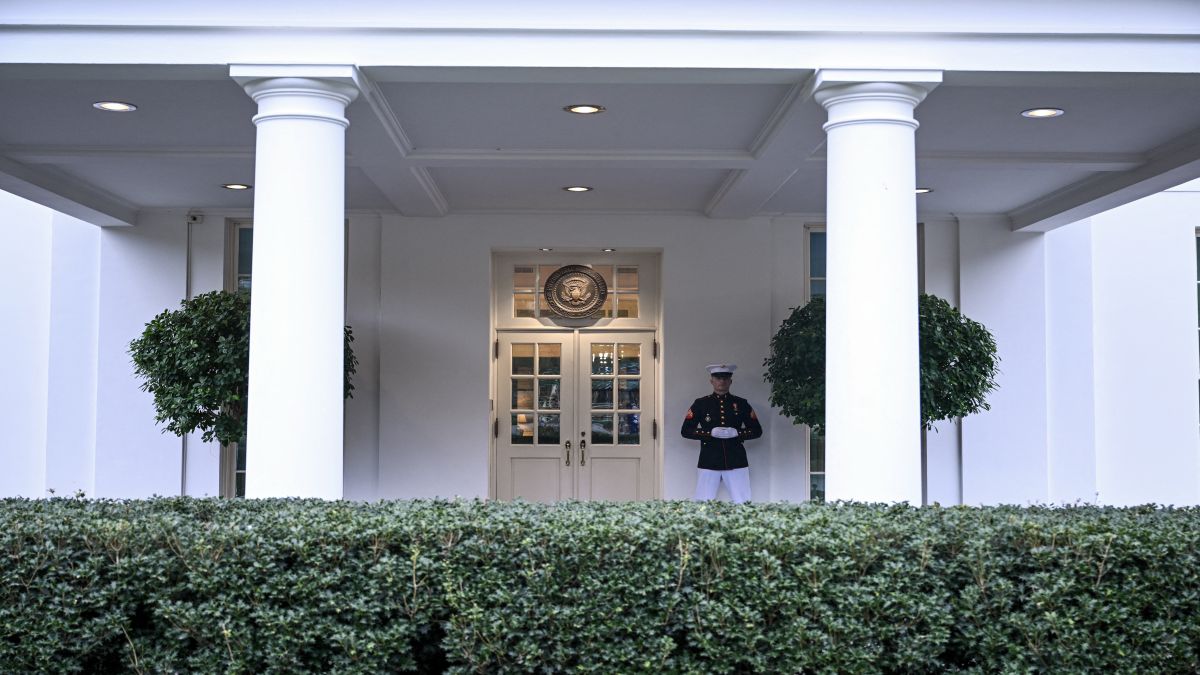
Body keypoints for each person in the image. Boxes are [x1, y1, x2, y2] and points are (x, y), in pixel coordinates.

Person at [680, 363, 763, 503]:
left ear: (731, 381)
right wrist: (709, 432)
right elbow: (685, 430)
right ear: (711, 381)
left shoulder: (741, 404)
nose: (722, 381)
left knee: (743, 502)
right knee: (703, 503)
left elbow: (757, 431)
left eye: (725, 378)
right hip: (709, 460)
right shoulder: (701, 404)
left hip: (736, 460)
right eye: (718, 378)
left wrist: (737, 433)